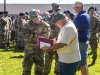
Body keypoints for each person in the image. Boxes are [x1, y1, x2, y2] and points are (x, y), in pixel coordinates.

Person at [22, 9, 51, 75]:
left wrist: (32, 36)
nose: (35, 19)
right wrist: (39, 37)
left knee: (39, 70)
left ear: (39, 16)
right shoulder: (26, 25)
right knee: (26, 69)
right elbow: (26, 38)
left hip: (40, 51)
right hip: (29, 51)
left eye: (36, 17)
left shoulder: (45, 25)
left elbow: (46, 38)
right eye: (33, 18)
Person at [73, 1, 90, 75]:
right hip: (84, 39)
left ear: (78, 7)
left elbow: (75, 29)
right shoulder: (85, 14)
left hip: (81, 40)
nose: (74, 9)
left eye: (74, 8)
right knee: (84, 61)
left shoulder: (81, 16)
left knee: (82, 62)